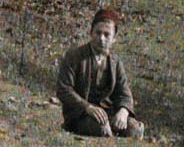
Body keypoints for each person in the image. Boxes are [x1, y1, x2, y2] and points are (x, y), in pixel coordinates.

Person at [56, 7, 144, 138]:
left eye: (107, 35)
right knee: (102, 129)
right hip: (80, 115)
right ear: (91, 33)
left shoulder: (115, 62)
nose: (101, 38)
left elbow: (124, 93)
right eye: (98, 33)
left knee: (134, 129)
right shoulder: (74, 56)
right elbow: (63, 89)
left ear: (114, 39)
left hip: (108, 113)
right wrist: (87, 107)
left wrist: (123, 111)